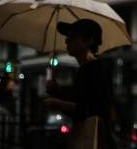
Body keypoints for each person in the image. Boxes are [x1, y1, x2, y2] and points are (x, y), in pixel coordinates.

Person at [44, 18, 116, 149]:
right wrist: (57, 93)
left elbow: (94, 110)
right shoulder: (87, 69)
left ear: (89, 40)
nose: (66, 41)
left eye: (73, 37)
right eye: (67, 37)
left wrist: (59, 104)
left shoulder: (94, 68)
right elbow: (81, 107)